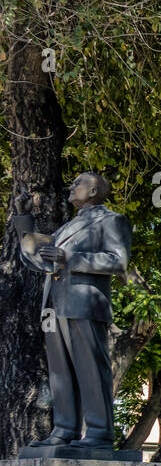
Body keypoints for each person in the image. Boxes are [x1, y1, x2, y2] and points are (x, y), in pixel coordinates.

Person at [12, 172, 131, 449]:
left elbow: (118, 261)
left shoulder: (112, 220)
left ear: (92, 191)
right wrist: (24, 219)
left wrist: (70, 257)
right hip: (54, 304)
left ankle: (99, 434)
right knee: (60, 373)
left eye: (78, 182)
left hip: (84, 304)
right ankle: (64, 431)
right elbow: (36, 258)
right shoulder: (66, 228)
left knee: (90, 369)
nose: (71, 186)